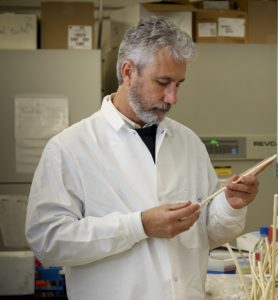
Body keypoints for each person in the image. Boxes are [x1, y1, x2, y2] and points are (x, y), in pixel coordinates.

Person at [25, 16, 259, 300]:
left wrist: (231, 205)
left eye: (178, 84)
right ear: (127, 72)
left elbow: (208, 234)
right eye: (163, 83)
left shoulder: (188, 143)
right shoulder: (70, 147)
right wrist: (139, 226)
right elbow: (48, 241)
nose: (172, 98)